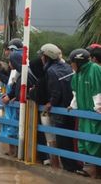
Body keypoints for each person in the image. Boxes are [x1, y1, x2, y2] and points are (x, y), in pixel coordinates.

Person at [39, 43, 82, 172]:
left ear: (46, 57)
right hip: (70, 108)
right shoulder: (67, 67)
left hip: (60, 110)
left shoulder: (51, 71)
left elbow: (55, 92)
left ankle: (69, 167)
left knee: (62, 140)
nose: (41, 58)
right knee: (71, 138)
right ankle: (75, 165)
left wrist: (50, 103)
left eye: (42, 55)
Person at [69, 49, 101, 178]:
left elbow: (98, 91)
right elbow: (75, 92)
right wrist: (73, 105)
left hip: (94, 114)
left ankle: (95, 172)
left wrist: (98, 108)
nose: (71, 65)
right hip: (83, 114)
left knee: (94, 142)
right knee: (84, 141)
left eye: (72, 63)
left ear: (79, 61)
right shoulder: (77, 74)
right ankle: (89, 170)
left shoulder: (95, 70)